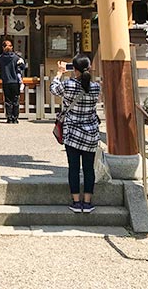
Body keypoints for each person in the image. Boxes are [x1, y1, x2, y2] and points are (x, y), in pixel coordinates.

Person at [50, 54, 101, 213]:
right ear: (89, 68)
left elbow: (53, 89)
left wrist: (59, 73)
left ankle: (76, 201)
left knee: (73, 167)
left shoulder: (68, 85)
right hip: (90, 132)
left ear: (75, 69)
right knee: (88, 168)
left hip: (72, 132)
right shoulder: (95, 87)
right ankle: (87, 202)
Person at [0, 39, 25, 123]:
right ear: (11, 47)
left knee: (8, 100)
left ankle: (9, 117)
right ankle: (15, 118)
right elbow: (22, 67)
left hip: (6, 81)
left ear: (3, 48)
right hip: (15, 81)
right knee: (16, 100)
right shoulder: (16, 58)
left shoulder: (0, 58)